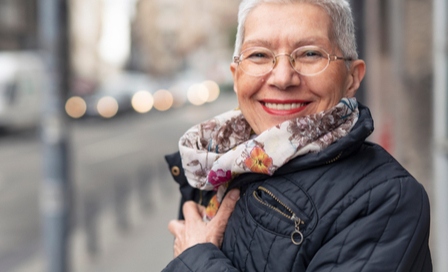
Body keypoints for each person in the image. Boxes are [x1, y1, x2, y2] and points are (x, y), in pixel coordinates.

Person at [162, 0, 432, 271]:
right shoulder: (216, 162)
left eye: (310, 54)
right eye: (259, 55)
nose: (282, 77)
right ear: (236, 76)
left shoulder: (387, 198)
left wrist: (195, 258)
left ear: (352, 78)